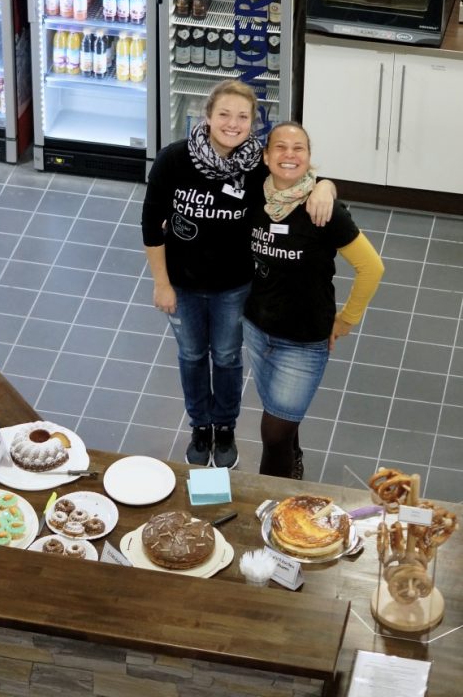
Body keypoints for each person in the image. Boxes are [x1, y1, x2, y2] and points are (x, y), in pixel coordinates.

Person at [141, 81, 336, 469]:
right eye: (225, 114)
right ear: (208, 116)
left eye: (242, 117)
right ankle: (201, 426)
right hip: (182, 284)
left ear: (253, 123)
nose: (233, 123)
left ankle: (225, 426)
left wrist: (326, 186)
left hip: (234, 287)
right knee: (192, 355)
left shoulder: (255, 167)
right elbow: (150, 224)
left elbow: (298, 176)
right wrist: (161, 283)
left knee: (228, 358)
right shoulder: (173, 160)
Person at [243, 121, 385, 480]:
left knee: (272, 435)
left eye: (298, 149)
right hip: (257, 330)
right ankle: (294, 454)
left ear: (309, 158)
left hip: (304, 342)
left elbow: (371, 267)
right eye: (280, 147)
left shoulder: (323, 210)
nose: (289, 155)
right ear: (265, 156)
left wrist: (346, 320)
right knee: (279, 412)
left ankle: (273, 513)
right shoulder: (253, 194)